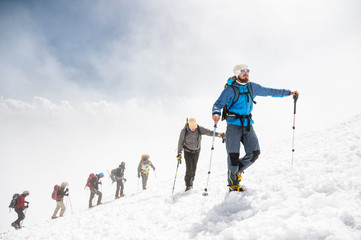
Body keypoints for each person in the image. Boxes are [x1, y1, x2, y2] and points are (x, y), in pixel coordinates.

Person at [212, 63, 299, 192]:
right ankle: (233, 184)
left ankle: (236, 171)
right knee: (233, 156)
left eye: (247, 71)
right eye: (242, 71)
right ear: (237, 73)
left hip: (248, 125)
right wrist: (216, 113)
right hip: (233, 126)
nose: (246, 73)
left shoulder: (252, 87)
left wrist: (288, 93)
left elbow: (270, 91)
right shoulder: (230, 89)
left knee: (254, 153)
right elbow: (218, 104)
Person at [177, 118, 225, 191]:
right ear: (188, 126)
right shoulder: (184, 131)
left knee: (194, 169)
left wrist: (219, 134)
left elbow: (209, 132)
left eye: (194, 128)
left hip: (196, 151)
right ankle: (188, 185)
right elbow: (180, 142)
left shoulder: (199, 129)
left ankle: (191, 183)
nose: (193, 129)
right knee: (189, 169)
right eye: (192, 128)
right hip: (187, 151)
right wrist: (179, 153)